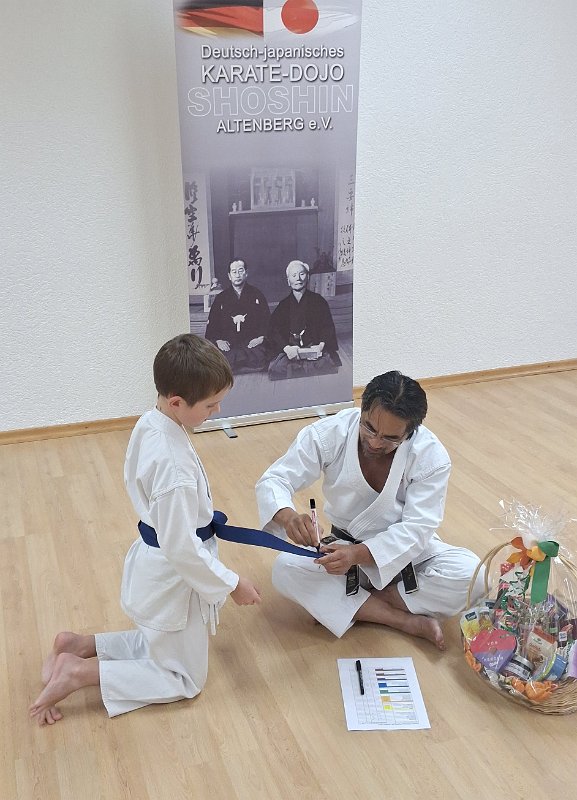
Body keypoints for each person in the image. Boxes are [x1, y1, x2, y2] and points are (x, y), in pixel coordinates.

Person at [30, 334, 261, 726]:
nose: (218, 410)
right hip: (173, 573)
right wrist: (232, 583)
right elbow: (181, 547)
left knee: (161, 644)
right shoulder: (173, 468)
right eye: (210, 405)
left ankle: (79, 645)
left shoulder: (151, 422)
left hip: (156, 563)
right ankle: (79, 672)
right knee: (184, 678)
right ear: (177, 402)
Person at [255, 371, 483, 650]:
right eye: (369, 428)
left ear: (410, 432)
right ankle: (402, 620)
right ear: (361, 409)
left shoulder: (429, 456)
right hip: (342, 548)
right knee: (285, 569)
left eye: (390, 438)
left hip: (405, 553)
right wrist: (289, 516)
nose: (375, 442)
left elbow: (417, 529)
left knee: (475, 576)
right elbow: (274, 480)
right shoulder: (330, 433)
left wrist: (359, 555)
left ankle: (360, 604)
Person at [266, 260, 341, 380]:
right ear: (288, 281)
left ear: (308, 277)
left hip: (313, 346)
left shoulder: (319, 301)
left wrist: (320, 346)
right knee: (277, 368)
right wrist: (287, 348)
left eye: (302, 274)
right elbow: (273, 330)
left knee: (325, 364)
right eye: (294, 275)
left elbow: (327, 326)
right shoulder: (283, 305)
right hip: (292, 349)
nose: (298, 278)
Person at [205, 259, 270, 373]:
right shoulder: (221, 298)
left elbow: (267, 321)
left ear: (246, 273)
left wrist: (260, 338)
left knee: (261, 355)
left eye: (240, 271)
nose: (237, 275)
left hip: (251, 344)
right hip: (229, 344)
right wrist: (219, 341)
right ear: (229, 276)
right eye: (234, 272)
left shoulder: (257, 295)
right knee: (218, 357)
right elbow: (212, 325)